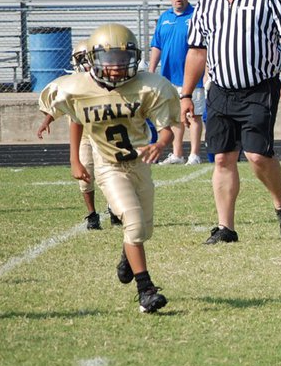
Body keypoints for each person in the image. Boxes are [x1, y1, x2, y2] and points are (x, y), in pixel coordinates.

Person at [37, 23, 179, 313]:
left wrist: (160, 144)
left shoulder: (149, 86)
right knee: (134, 221)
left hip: (139, 164)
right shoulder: (75, 87)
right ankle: (146, 290)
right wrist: (53, 124)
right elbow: (66, 110)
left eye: (122, 61)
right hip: (108, 165)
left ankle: (129, 255)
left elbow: (168, 128)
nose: (115, 69)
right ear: (93, 60)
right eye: (109, 61)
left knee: (143, 230)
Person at [182, 0, 281, 244]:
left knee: (257, 155)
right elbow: (196, 50)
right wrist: (185, 94)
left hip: (259, 88)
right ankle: (226, 228)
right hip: (220, 90)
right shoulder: (206, 1)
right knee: (222, 158)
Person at [36, 41, 121, 230]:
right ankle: (92, 214)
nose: (87, 62)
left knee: (107, 174)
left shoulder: (106, 80)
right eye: (83, 58)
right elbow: (59, 105)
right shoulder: (71, 84)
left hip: (102, 134)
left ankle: (113, 209)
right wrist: (46, 121)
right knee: (85, 175)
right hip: (82, 136)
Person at [150, 0, 204, 165]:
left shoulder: (196, 15)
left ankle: (194, 154)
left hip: (192, 76)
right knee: (175, 116)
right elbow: (156, 46)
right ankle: (177, 154)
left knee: (194, 115)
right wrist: (151, 70)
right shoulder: (165, 17)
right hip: (169, 77)